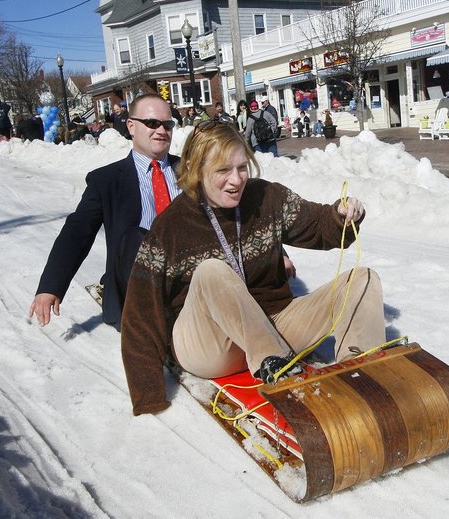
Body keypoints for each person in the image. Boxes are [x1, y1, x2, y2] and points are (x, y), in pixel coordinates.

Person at [120, 121, 386, 415]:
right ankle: (279, 369)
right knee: (212, 270)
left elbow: (316, 224)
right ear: (197, 170)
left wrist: (340, 216)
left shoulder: (266, 198)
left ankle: (363, 375)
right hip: (213, 345)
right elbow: (140, 313)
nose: (236, 180)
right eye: (223, 170)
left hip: (273, 325)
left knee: (362, 280)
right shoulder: (171, 227)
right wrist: (148, 396)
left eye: (242, 167)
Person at [29, 94, 180, 330]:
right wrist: (51, 286)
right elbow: (77, 232)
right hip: (136, 281)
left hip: (187, 276)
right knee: (135, 237)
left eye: (167, 124)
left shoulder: (191, 171)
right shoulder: (107, 180)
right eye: (152, 123)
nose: (161, 130)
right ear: (131, 126)